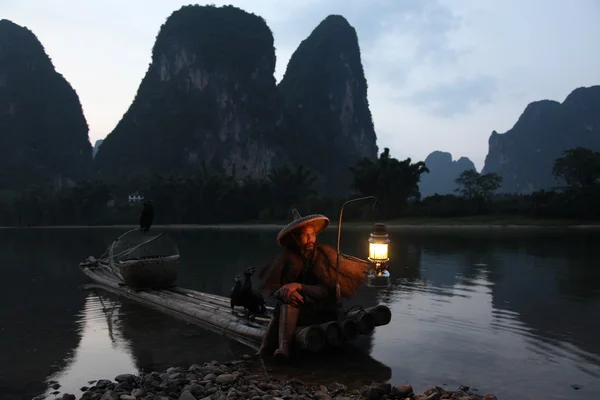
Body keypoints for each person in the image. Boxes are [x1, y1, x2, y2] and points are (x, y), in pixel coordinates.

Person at [255, 208, 370, 360]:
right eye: (305, 235)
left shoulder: (323, 257)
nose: (310, 239)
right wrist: (286, 291)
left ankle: (282, 347)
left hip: (321, 310)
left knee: (291, 298)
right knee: (288, 299)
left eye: (313, 235)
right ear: (296, 238)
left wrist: (299, 286)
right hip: (297, 312)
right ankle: (268, 349)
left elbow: (326, 291)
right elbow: (276, 289)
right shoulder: (288, 259)